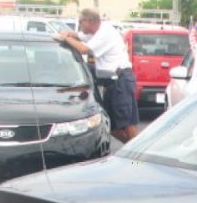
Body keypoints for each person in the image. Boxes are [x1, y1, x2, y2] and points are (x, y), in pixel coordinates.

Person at [54, 9, 139, 143]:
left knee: (126, 122)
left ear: (89, 21)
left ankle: (139, 154)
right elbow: (80, 37)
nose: (79, 25)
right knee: (110, 125)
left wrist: (66, 38)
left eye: (80, 22)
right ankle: (132, 150)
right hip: (111, 82)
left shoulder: (105, 33)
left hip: (120, 79)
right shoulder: (96, 33)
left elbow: (84, 49)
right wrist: (70, 34)